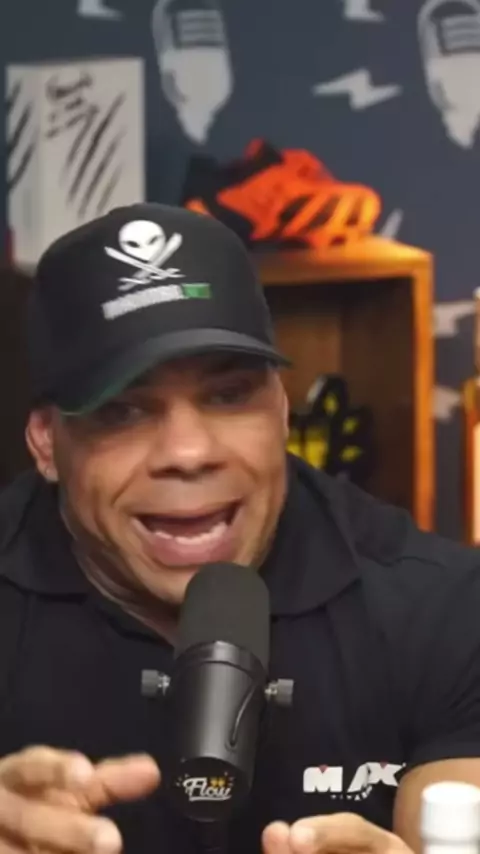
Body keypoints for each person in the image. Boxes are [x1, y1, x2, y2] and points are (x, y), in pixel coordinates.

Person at [0, 203, 479, 854]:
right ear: (45, 442)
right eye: (122, 411)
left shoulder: (441, 607)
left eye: (228, 395)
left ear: (280, 409)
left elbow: (460, 808)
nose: (189, 452)